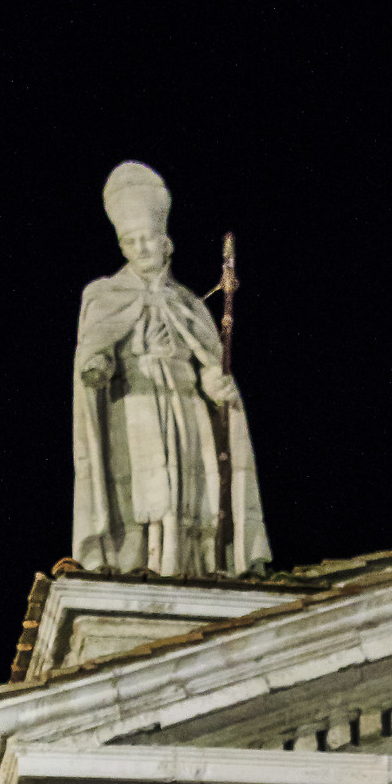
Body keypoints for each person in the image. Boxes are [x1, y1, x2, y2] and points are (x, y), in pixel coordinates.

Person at [73, 160, 271, 578]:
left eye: (150, 239)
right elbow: (96, 349)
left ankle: (194, 565)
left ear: (167, 244)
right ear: (122, 247)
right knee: (149, 497)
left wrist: (217, 383)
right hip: (136, 404)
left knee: (194, 495)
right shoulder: (105, 295)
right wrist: (97, 366)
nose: (142, 248)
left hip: (186, 407)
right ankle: (140, 563)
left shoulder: (189, 304)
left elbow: (207, 363)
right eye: (132, 241)